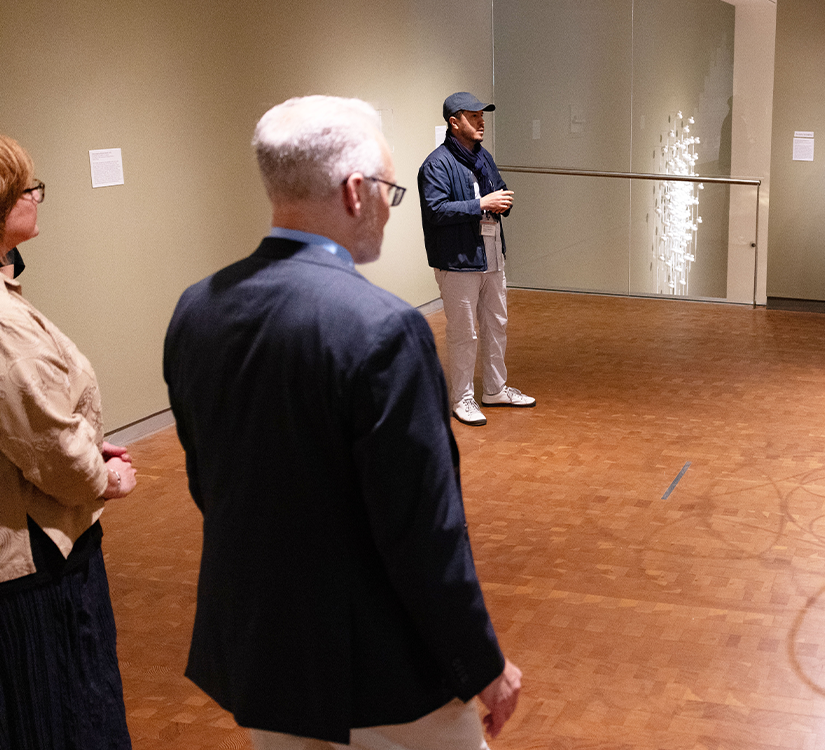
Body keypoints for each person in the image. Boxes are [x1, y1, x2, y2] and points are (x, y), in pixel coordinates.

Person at [163, 96, 522, 747]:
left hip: (265, 656)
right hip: (382, 671)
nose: (390, 206)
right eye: (388, 190)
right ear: (356, 192)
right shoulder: (383, 329)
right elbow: (424, 534)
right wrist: (483, 663)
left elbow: (210, 485)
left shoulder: (196, 310)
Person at [0, 133, 137, 747]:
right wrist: (101, 476)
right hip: (35, 560)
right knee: (64, 713)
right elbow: (48, 444)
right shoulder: (5, 328)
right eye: (31, 187)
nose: (37, 197)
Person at [419, 91, 534, 427]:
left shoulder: (484, 158)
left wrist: (502, 202)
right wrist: (482, 204)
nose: (481, 122)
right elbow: (436, 209)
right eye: (473, 116)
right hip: (458, 261)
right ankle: (462, 398)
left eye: (482, 116)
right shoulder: (436, 164)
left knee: (497, 324)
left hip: (492, 254)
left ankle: (495, 389)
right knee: (464, 332)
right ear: (454, 123)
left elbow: (499, 190)